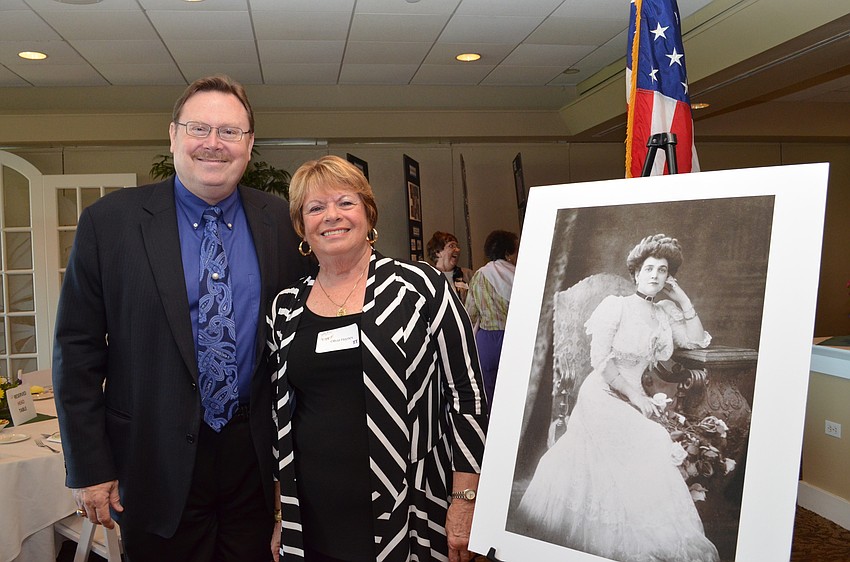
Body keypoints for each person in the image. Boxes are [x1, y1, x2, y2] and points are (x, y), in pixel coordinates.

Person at [52, 75, 309, 562]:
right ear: (173, 136)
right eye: (199, 128)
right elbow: (78, 351)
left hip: (254, 467)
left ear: (250, 145)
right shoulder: (110, 224)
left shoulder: (282, 221)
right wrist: (89, 467)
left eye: (230, 132)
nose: (214, 143)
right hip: (150, 464)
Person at [268, 155, 488, 562]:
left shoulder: (420, 287)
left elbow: (467, 395)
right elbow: (280, 421)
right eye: (315, 208)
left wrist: (466, 499)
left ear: (368, 213)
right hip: (314, 515)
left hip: (412, 508)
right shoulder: (285, 308)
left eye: (345, 202)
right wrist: (283, 513)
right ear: (302, 227)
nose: (331, 216)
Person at [516, 234, 719, 562]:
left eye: (663, 270)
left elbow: (696, 342)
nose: (655, 275)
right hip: (602, 394)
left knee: (649, 442)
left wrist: (682, 300)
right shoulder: (616, 306)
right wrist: (636, 396)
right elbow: (601, 360)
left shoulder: (664, 313)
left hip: (634, 397)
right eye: (649, 268)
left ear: (669, 278)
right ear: (636, 273)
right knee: (653, 438)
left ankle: (650, 528)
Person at [465, 230, 519, 408]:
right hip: (513, 339)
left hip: (487, 342)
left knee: (490, 393)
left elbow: (470, 313)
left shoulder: (480, 275)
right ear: (507, 253)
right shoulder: (519, 276)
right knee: (515, 392)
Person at [426, 231, 473, 304]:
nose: (457, 250)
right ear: (438, 252)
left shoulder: (468, 275)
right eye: (451, 246)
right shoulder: (428, 278)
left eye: (457, 246)